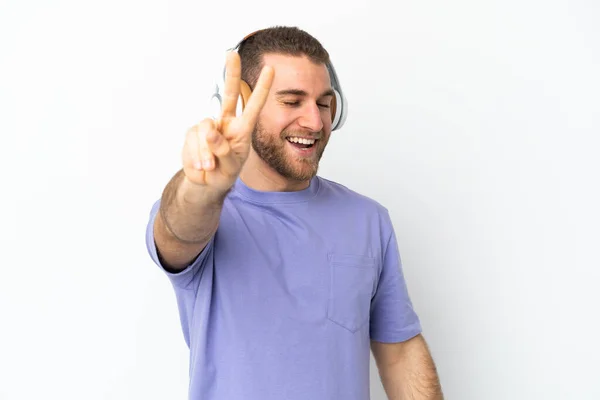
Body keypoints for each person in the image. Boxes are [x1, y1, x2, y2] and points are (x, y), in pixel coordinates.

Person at [145, 26, 443, 400]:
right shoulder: (207, 212)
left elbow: (399, 353)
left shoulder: (368, 220)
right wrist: (202, 185)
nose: (315, 123)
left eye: (323, 103)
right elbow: (178, 230)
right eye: (291, 101)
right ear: (241, 104)